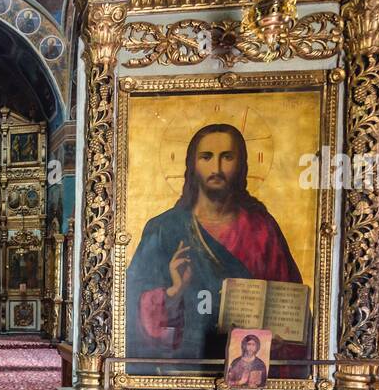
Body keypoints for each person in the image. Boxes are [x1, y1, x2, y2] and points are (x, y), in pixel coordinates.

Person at [126, 123, 303, 364]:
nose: (216, 168)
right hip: (184, 364)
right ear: (192, 164)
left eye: (227, 157)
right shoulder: (164, 228)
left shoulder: (262, 229)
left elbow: (288, 304)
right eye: (207, 157)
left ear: (241, 165)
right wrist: (174, 291)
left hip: (249, 365)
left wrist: (281, 335)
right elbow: (129, 308)